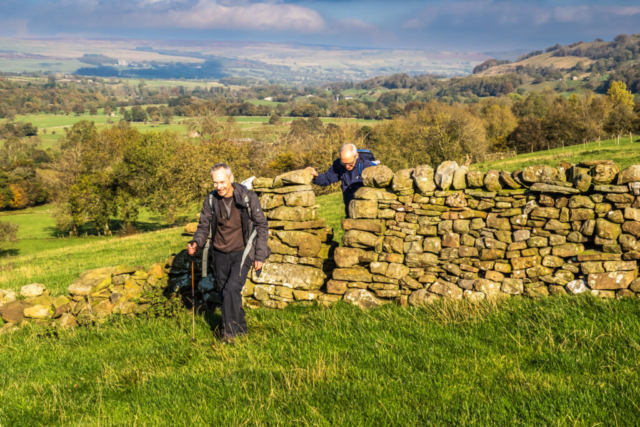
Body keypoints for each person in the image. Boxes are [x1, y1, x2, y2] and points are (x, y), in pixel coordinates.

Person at [187, 163, 269, 343]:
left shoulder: (248, 197)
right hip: (219, 253)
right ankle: (240, 328)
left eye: (222, 182)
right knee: (226, 292)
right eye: (215, 183)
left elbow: (262, 226)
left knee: (232, 288)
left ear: (231, 178)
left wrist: (260, 255)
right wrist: (196, 242)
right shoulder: (211, 200)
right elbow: (203, 227)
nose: (219, 187)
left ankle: (229, 334)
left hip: (243, 251)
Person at [306, 143, 375, 217]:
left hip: (367, 212)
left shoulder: (367, 166)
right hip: (349, 211)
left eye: (350, 163)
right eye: (343, 163)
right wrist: (316, 176)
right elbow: (327, 179)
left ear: (356, 156)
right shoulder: (338, 165)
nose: (347, 167)